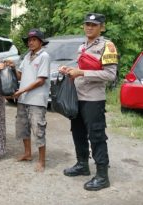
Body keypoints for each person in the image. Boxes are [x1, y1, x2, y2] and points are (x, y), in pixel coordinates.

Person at [59, 13, 118, 191]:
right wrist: (70, 70)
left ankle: (102, 176)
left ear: (102, 27)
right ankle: (82, 165)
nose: (89, 27)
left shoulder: (107, 46)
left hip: (94, 99)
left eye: (94, 24)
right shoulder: (82, 46)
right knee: (77, 132)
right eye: (87, 24)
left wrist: (82, 73)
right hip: (78, 97)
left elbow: (110, 75)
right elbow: (81, 69)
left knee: (97, 136)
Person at [13, 28, 50, 172]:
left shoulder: (44, 56)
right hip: (23, 99)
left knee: (38, 129)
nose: (31, 42)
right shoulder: (27, 56)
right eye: (29, 40)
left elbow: (41, 80)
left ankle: (41, 161)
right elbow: (20, 76)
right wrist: (11, 68)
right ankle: (27, 154)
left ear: (40, 42)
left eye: (34, 40)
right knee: (23, 127)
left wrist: (22, 90)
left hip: (37, 100)